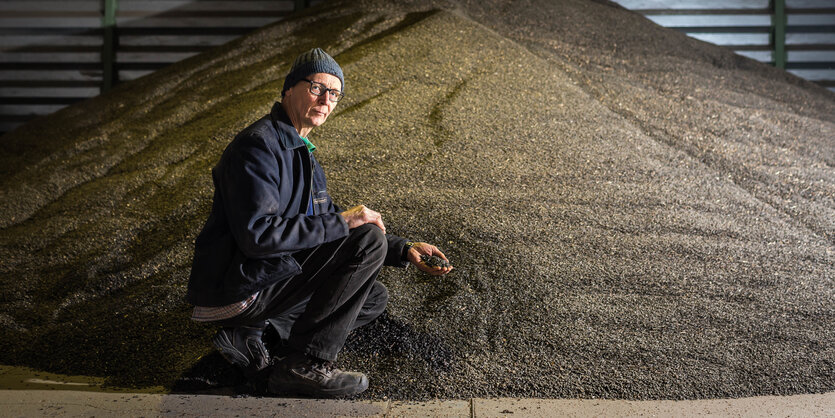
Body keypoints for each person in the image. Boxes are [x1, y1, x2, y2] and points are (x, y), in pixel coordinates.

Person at [185, 48, 452, 398]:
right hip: (237, 286)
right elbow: (259, 237)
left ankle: (254, 336)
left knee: (371, 297)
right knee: (368, 240)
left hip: (267, 277)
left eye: (335, 93)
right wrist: (348, 221)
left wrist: (404, 249)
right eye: (316, 87)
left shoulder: (300, 152)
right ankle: (304, 365)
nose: (326, 99)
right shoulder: (258, 148)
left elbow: (325, 219)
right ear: (288, 90)